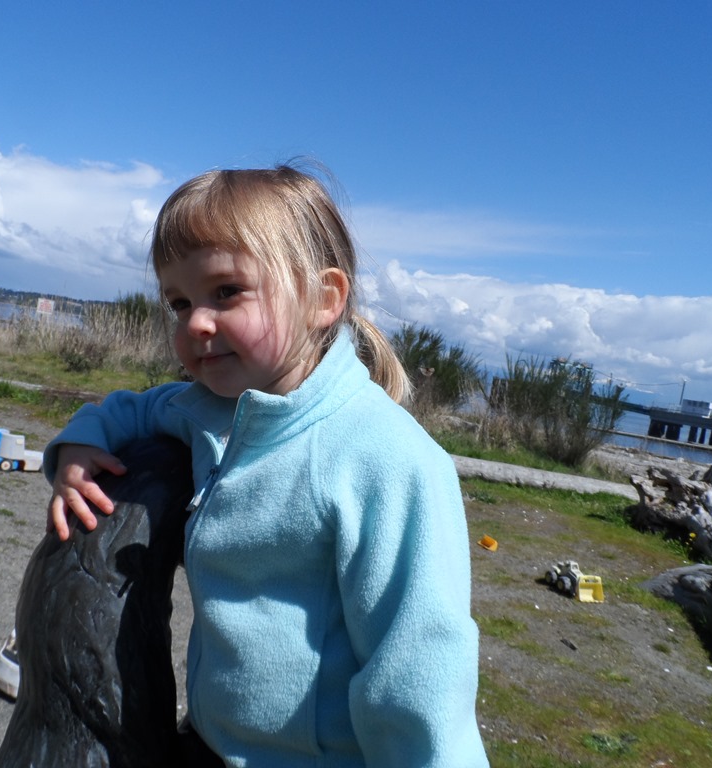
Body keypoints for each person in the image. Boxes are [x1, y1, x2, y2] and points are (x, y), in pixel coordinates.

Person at [43, 164, 489, 767]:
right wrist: (77, 448)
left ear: (323, 299)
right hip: (211, 740)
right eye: (179, 302)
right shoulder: (208, 408)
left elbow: (419, 673)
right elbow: (131, 409)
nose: (195, 322)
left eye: (226, 292)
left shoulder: (385, 459)